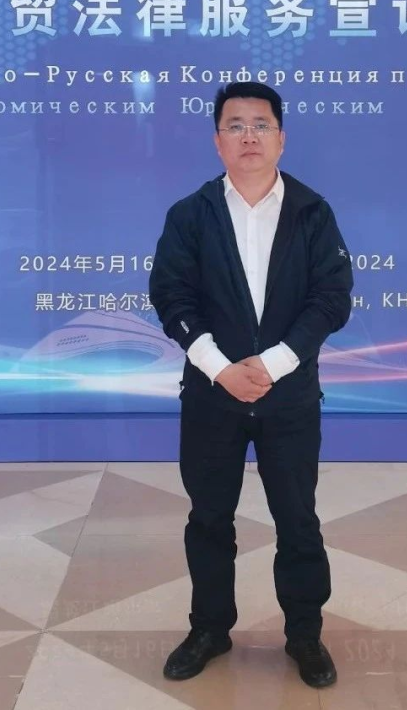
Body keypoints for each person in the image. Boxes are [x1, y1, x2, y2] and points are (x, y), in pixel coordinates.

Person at [148, 81, 354, 689]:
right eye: (234, 126)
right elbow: (171, 296)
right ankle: (209, 629)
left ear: (281, 138)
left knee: (298, 519)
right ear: (217, 142)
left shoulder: (313, 212)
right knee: (209, 518)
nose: (248, 136)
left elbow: (331, 299)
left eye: (260, 125)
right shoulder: (190, 214)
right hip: (212, 397)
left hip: (289, 397)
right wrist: (220, 369)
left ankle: (305, 634)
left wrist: (276, 363)